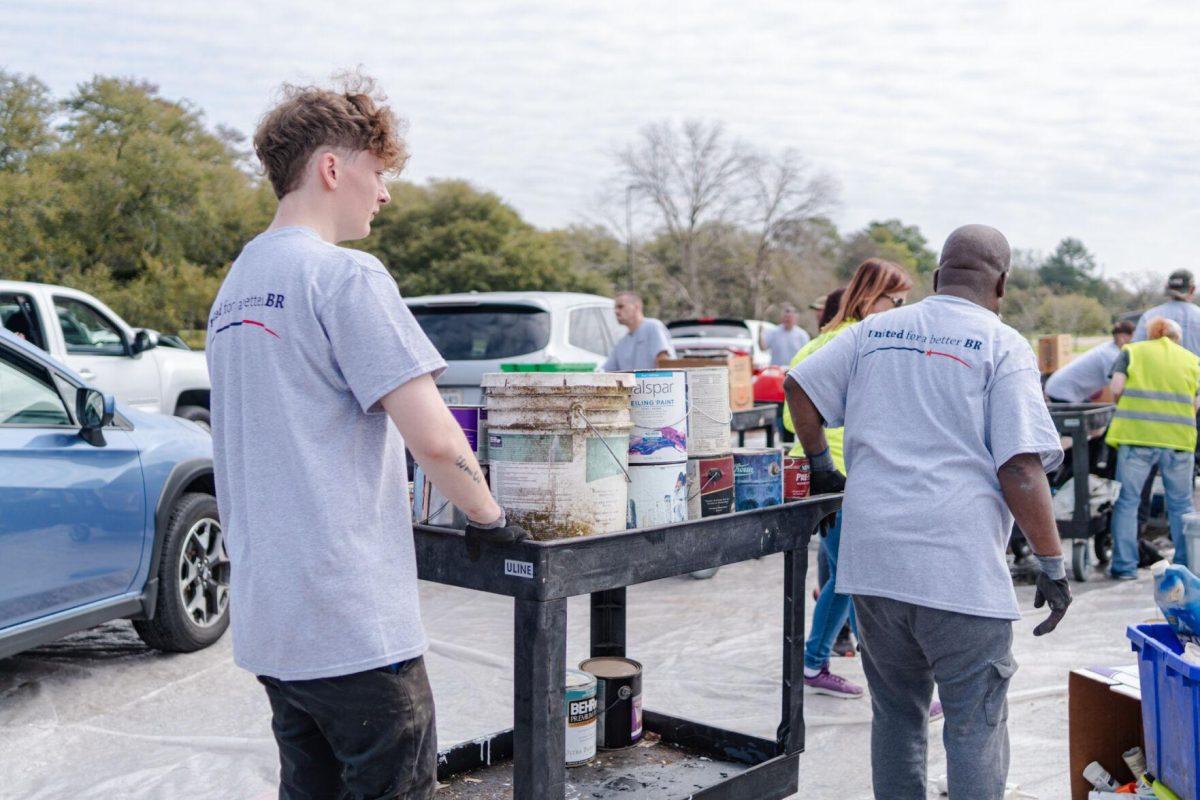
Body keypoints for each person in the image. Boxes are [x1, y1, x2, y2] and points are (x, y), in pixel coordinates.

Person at [206, 76, 525, 800]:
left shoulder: (237, 283)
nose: (384, 193)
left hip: (270, 619)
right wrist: (492, 518)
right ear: (331, 168)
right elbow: (437, 440)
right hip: (349, 621)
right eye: (376, 173)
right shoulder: (344, 275)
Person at [785, 224, 1071, 800]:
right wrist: (1052, 564)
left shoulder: (876, 330)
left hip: (874, 566)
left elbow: (799, 386)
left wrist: (819, 464)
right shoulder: (1000, 344)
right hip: (956, 571)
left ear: (938, 277)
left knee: (897, 717)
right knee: (974, 724)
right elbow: (1020, 468)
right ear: (1002, 284)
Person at [781, 260, 913, 699]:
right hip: (844, 479)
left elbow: (789, 414)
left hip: (817, 476)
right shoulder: (866, 342)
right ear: (870, 298)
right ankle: (894, 687)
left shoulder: (817, 344)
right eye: (896, 301)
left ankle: (814, 662)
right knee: (863, 579)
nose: (901, 310)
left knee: (843, 576)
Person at [1106, 317, 1199, 579]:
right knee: (1181, 505)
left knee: (1128, 502)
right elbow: (1196, 403)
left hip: (1137, 438)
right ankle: (1186, 567)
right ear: (1176, 338)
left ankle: (1124, 567)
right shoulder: (1192, 360)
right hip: (1178, 441)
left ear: (1150, 334)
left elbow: (1116, 388)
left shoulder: (1132, 352)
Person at [1044, 320, 1135, 403]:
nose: (1134, 340)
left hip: (1061, 388)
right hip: (1062, 391)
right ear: (1122, 336)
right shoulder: (1111, 355)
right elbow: (1116, 388)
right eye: (1132, 336)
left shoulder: (1109, 348)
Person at [1132, 270, 1200, 355]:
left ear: (1168, 287)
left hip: (1157, 368)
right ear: (1192, 289)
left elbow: (1135, 351)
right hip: (1195, 368)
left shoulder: (1150, 316)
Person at [602, 291, 675, 371]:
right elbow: (607, 370)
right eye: (615, 308)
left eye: (621, 306)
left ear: (636, 307)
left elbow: (664, 363)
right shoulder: (622, 342)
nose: (616, 311)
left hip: (655, 383)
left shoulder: (652, 327)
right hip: (633, 384)